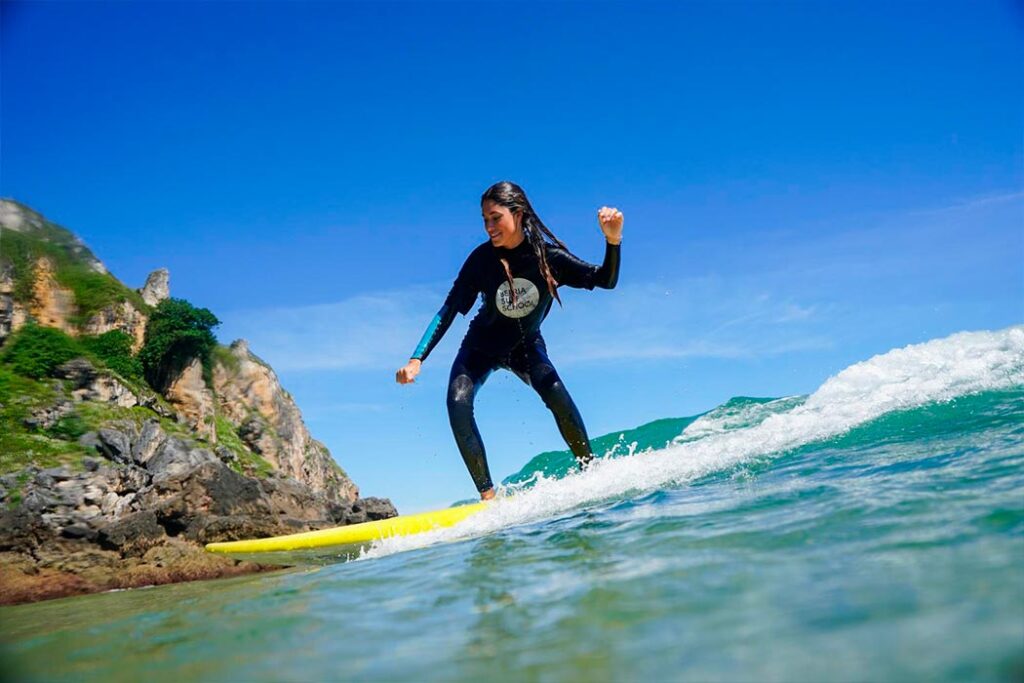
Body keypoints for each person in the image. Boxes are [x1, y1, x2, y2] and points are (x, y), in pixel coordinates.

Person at [395, 181, 623, 500]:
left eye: (495, 217)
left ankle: (591, 472)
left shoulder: (548, 257)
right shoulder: (481, 261)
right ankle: (489, 498)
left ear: (517, 214)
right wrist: (416, 358)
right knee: (457, 401)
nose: (488, 227)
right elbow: (448, 310)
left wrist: (612, 241)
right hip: (480, 346)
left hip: (525, 347)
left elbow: (605, 280)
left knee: (557, 394)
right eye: (485, 220)